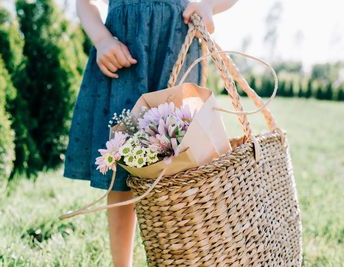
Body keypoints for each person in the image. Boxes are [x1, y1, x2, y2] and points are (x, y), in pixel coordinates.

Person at [63, 0, 239, 266]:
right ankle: (122, 264)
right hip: (123, 51)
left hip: (177, 43)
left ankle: (186, 259)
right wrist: (101, 40)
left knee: (183, 165)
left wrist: (209, 6)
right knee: (125, 162)